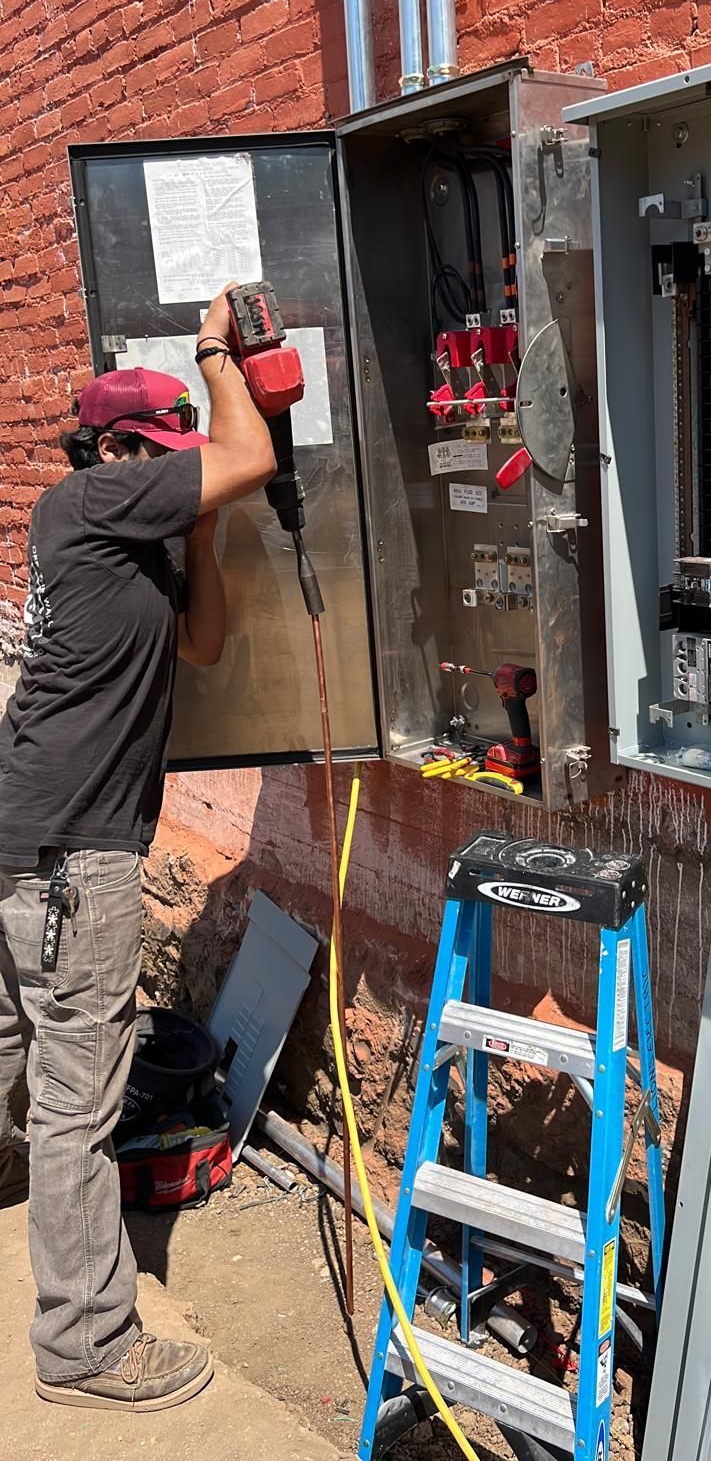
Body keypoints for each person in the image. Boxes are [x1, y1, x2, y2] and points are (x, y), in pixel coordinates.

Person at [0, 285, 274, 1411]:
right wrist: (216, 352)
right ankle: (85, 1344)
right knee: (79, 1096)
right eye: (159, 456)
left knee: (24, 1051)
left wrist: (198, 531)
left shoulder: (129, 549)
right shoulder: (86, 499)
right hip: (76, 852)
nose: (172, 473)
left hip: (37, 836)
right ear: (113, 451)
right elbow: (249, 454)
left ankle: (29, 1202)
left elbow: (203, 644)